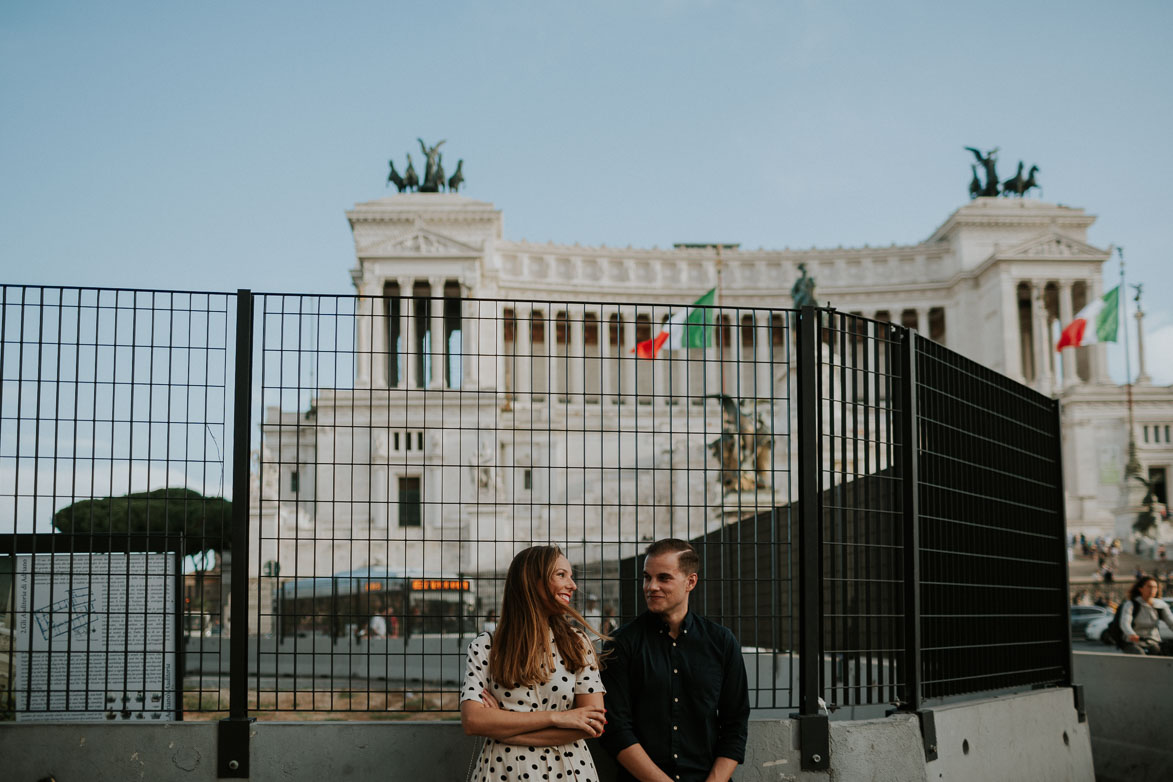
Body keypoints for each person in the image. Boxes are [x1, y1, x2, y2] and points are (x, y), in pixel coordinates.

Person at [600, 538, 749, 782]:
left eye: (664, 578)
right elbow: (615, 728)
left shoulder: (721, 642)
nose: (651, 586)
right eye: (647, 577)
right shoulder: (621, 643)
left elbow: (736, 722)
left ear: (690, 581)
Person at [460, 546, 607, 782]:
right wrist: (557, 718)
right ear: (531, 581)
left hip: (570, 771)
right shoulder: (485, 645)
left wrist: (504, 729)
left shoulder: (578, 643)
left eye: (571, 575)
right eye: (561, 575)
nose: (573, 585)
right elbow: (473, 721)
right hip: (503, 772)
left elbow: (592, 723)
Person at [1117, 575, 1173, 656]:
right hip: (1133, 641)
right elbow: (1125, 623)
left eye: (1155, 587)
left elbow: (1171, 622)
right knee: (1140, 654)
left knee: (1161, 655)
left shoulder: (1161, 605)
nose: (1152, 590)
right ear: (1140, 589)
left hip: (1153, 641)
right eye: (1149, 587)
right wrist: (1131, 634)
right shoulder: (1131, 604)